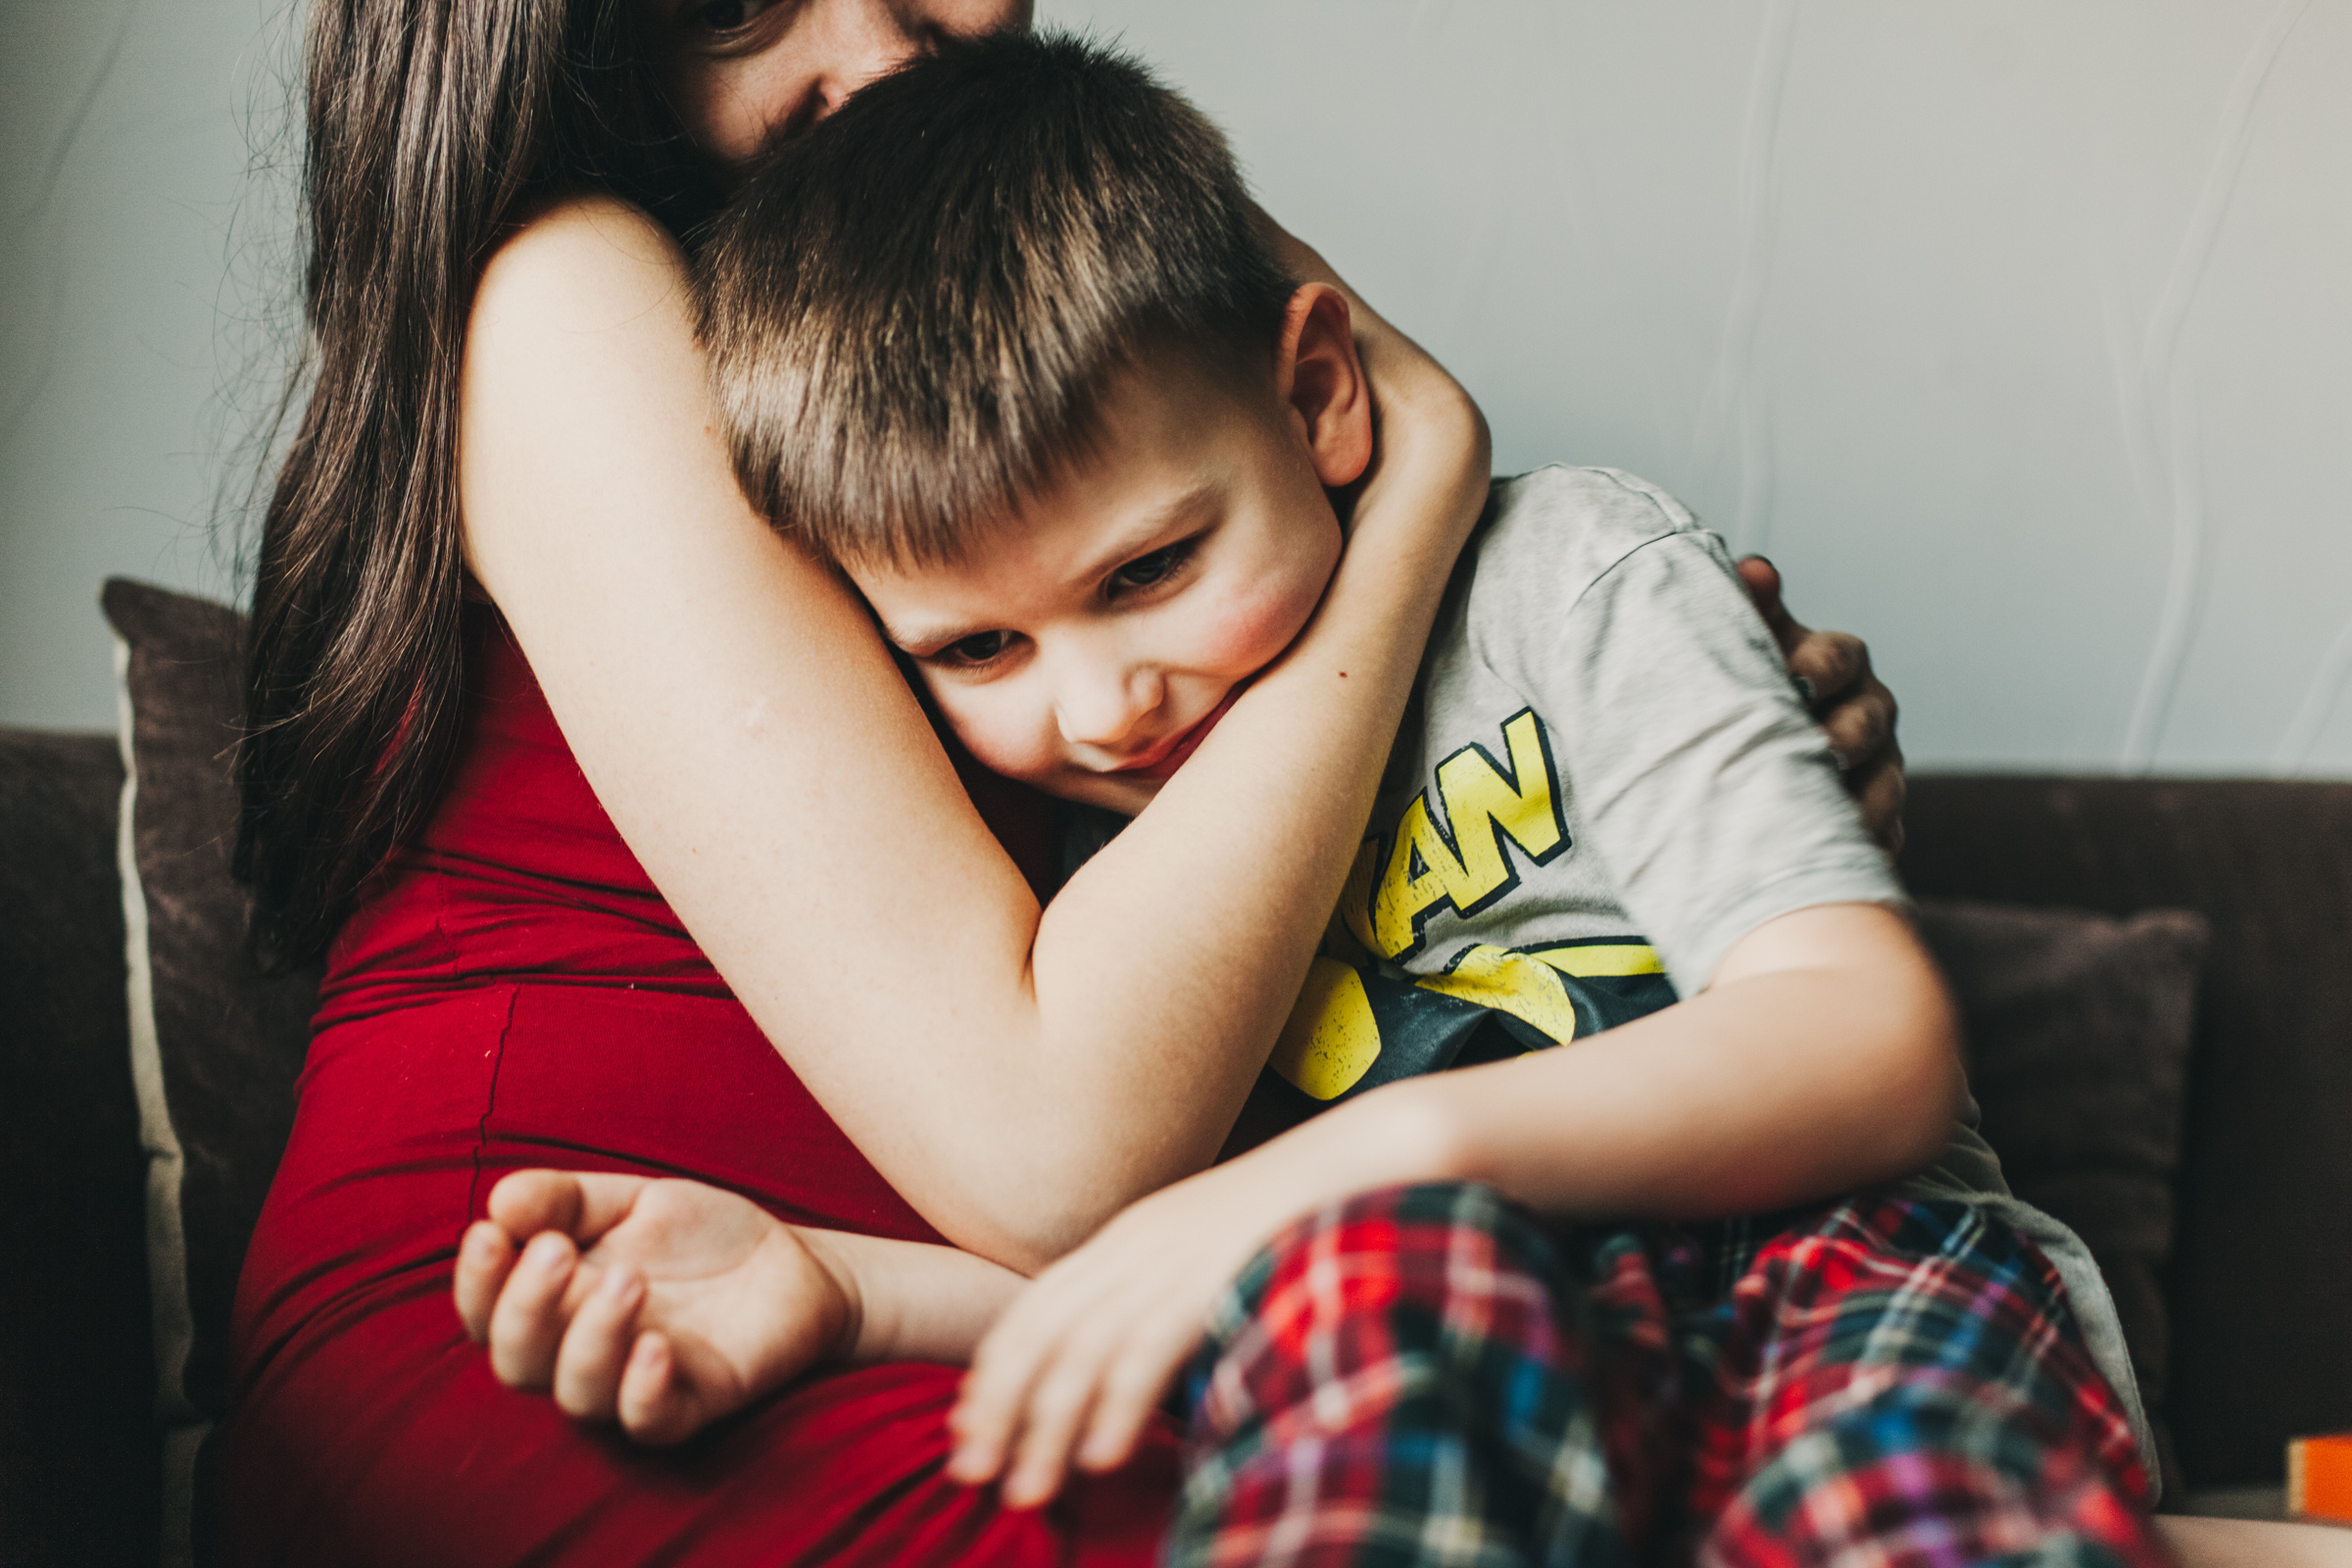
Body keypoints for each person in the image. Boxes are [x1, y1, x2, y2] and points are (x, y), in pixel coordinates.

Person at [221, 2, 1898, 1564]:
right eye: (737, 0)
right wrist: (1427, 485)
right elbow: (1056, 1151)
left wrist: (1692, 788)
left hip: (944, 1299)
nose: (876, 54)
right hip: (585, 1324)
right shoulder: (567, 291)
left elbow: (1336, 905)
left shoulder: (1009, 263)